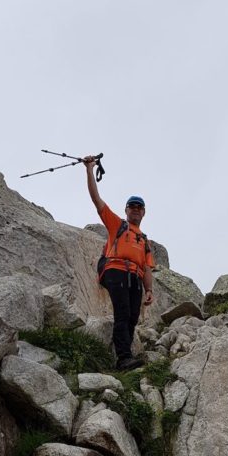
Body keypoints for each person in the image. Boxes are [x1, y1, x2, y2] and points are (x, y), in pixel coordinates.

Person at [83, 155, 154, 370]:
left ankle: (125, 355)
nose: (135, 209)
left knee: (132, 317)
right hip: (115, 270)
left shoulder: (144, 239)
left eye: (139, 207)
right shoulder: (117, 225)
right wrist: (89, 170)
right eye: (131, 206)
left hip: (135, 277)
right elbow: (97, 200)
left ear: (143, 212)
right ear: (126, 210)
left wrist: (149, 290)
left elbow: (147, 267)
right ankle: (123, 358)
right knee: (123, 312)